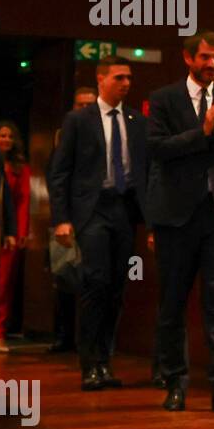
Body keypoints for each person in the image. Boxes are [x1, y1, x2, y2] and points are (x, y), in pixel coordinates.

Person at [147, 32, 214, 414]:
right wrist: (202, 131)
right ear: (189, 58)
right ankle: (176, 384)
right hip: (175, 215)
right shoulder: (164, 99)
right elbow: (157, 149)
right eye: (205, 57)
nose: (212, 64)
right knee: (172, 304)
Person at [47, 56, 148, 390]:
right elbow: (60, 171)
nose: (126, 83)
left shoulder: (136, 120)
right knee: (96, 282)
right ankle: (89, 364)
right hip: (92, 210)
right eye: (119, 77)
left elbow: (146, 171)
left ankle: (105, 362)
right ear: (101, 78)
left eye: (129, 78)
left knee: (118, 287)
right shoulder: (79, 119)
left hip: (125, 209)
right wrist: (61, 219)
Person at [49, 86, 98, 355]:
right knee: (65, 279)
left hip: (92, 217)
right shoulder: (65, 133)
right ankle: (63, 337)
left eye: (89, 105)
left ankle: (89, 342)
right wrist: (61, 217)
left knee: (93, 281)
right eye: (80, 105)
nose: (84, 110)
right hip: (66, 218)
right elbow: (56, 175)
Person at [0, 121, 31, 346]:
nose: (6, 140)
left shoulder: (20, 167)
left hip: (9, 230)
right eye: (2, 135)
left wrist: (20, 231)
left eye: (10, 136)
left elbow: (23, 201)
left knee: (4, 285)